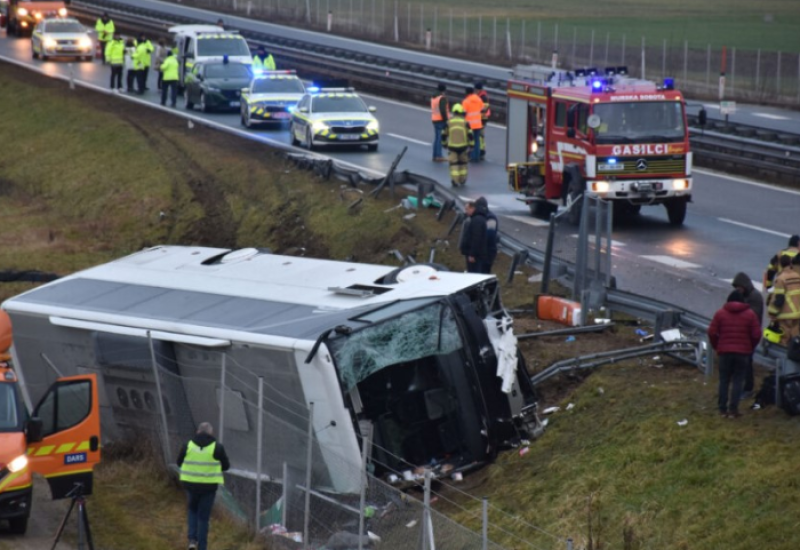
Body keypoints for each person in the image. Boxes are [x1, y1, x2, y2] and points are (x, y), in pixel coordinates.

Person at [708, 290, 762, 418]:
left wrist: (717, 346)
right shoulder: (750, 315)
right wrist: (750, 346)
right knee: (738, 380)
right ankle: (733, 409)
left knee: (724, 380)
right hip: (743, 353)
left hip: (724, 352)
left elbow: (711, 332)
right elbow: (756, 334)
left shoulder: (720, 313)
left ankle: (722, 409)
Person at [177, 422, 230, 550]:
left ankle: (192, 541)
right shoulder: (217, 447)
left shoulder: (187, 445)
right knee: (203, 517)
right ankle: (202, 547)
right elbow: (226, 466)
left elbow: (179, 462)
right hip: (208, 488)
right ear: (211, 433)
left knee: (193, 510)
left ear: (198, 432)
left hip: (191, 485)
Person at [731, 272, 764, 397]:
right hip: (743, 334)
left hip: (750, 334)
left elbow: (752, 316)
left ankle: (748, 388)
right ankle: (743, 386)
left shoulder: (754, 297)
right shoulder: (746, 295)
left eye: (739, 288)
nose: (738, 290)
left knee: (747, 361)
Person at [767, 254, 800, 346]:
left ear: (780, 265)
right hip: (797, 313)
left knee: (783, 340)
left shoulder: (781, 279)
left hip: (785, 315)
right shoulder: (797, 276)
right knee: (794, 338)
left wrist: (772, 313)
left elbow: (779, 298)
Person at [441, 103, 473, 187]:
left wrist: (444, 144)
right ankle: (462, 180)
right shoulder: (465, 122)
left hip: (452, 147)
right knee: (463, 163)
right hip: (463, 147)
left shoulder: (448, 122)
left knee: (454, 164)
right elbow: (470, 135)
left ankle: (455, 181)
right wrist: (472, 146)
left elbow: (443, 135)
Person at [459, 200, 489, 273]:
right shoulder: (477, 218)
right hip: (476, 254)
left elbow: (476, 238)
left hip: (475, 255)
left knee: (474, 273)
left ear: (472, 208)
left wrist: (472, 254)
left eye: (467, 209)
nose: (466, 211)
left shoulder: (477, 220)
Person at [462, 86, 484, 163]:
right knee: (477, 140)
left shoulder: (466, 101)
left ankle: (471, 156)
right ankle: (476, 157)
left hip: (469, 125)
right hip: (478, 123)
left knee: (470, 141)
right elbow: (482, 109)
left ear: (467, 93)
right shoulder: (479, 99)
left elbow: (464, 113)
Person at [475, 196, 498, 274]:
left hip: (488, 251)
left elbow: (490, 235)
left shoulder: (490, 218)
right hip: (482, 251)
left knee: (484, 272)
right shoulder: (482, 216)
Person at [430, 83, 449, 162]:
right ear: (443, 91)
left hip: (435, 119)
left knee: (437, 138)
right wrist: (446, 120)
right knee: (440, 138)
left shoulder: (433, 97)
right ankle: (439, 155)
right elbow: (443, 111)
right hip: (440, 120)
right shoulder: (442, 98)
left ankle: (435, 155)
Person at [474, 82, 490, 159]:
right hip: (480, 118)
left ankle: (481, 151)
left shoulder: (483, 97)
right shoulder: (480, 96)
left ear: (478, 89)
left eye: (476, 89)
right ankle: (481, 150)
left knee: (480, 136)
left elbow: (484, 108)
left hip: (482, 119)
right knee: (480, 136)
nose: (475, 91)